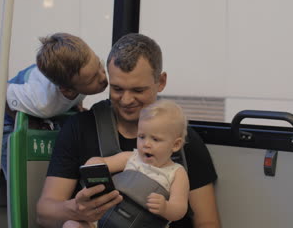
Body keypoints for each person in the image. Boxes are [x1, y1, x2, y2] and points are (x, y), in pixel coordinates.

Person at [36, 33, 221, 228]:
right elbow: (44, 213)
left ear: (161, 82)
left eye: (138, 90)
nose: (126, 100)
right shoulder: (79, 128)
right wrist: (75, 209)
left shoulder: (182, 140)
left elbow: (207, 221)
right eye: (117, 89)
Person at [0, 32, 108, 174]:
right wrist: (27, 122)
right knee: (19, 174)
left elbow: (82, 86)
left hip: (46, 103)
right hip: (4, 119)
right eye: (92, 79)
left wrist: (76, 104)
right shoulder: (44, 102)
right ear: (68, 91)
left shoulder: (83, 74)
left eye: (99, 64)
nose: (103, 78)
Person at [64, 99, 190, 228]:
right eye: (141, 137)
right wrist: (94, 163)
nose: (146, 144)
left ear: (175, 145)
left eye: (155, 139)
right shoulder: (131, 157)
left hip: (144, 223)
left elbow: (179, 209)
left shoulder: (177, 173)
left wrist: (166, 208)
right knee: (71, 225)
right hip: (107, 218)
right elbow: (103, 163)